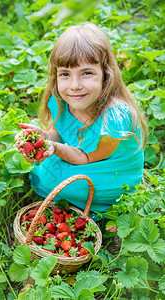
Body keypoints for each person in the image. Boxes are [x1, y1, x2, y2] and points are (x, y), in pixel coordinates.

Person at [16, 23, 147, 217]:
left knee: (61, 181)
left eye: (86, 73)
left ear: (106, 74)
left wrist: (55, 149)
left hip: (110, 172)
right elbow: (60, 132)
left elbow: (85, 157)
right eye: (65, 74)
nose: (75, 85)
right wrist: (44, 137)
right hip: (79, 156)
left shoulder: (115, 120)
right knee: (47, 169)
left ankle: (106, 207)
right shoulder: (63, 98)